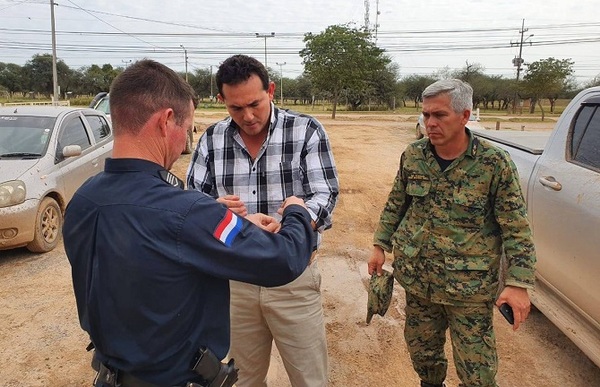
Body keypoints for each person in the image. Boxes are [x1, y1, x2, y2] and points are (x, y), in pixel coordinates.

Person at [63, 59, 316, 387]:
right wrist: (296, 211)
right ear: (167, 121)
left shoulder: (84, 200)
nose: (185, 141)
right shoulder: (187, 212)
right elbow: (284, 258)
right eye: (187, 128)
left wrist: (229, 222)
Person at [368, 79, 536, 387]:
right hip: (419, 282)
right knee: (424, 357)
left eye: (439, 115)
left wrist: (519, 283)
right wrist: (380, 245)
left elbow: (516, 228)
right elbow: (396, 204)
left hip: (469, 289)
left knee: (478, 373)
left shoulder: (493, 164)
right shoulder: (413, 155)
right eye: (426, 115)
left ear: (464, 115)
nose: (430, 123)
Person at [186, 54, 339, 387]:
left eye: (255, 103)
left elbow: (325, 196)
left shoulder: (305, 130)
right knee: (240, 379)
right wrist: (217, 210)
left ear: (270, 90)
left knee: (310, 378)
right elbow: (190, 205)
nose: (248, 116)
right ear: (222, 100)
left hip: (294, 279)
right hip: (233, 282)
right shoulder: (212, 140)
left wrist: (293, 223)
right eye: (236, 108)